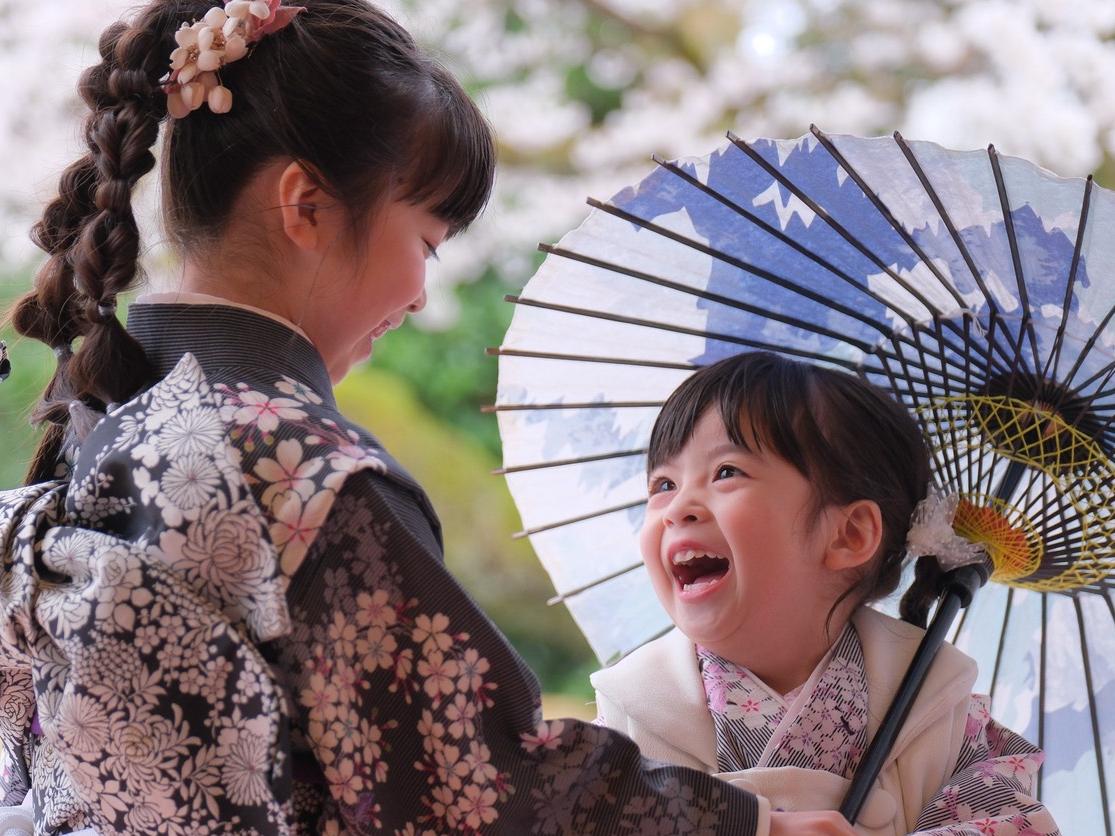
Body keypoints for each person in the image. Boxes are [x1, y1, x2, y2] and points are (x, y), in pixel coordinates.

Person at [0, 1, 860, 833]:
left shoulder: (104, 427)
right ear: (305, 206)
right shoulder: (308, 474)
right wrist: (749, 827)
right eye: (426, 243)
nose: (419, 296)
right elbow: (482, 785)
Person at [591, 351, 1061, 835]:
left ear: (849, 535)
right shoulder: (636, 715)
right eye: (664, 484)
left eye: (726, 472)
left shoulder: (935, 706)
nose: (677, 508)